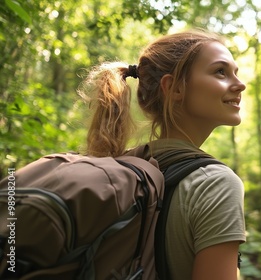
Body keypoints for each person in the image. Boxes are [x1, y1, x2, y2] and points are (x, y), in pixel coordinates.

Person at [79, 29, 247, 280]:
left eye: (235, 72)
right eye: (220, 72)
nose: (240, 84)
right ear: (175, 88)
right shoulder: (215, 184)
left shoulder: (120, 167)